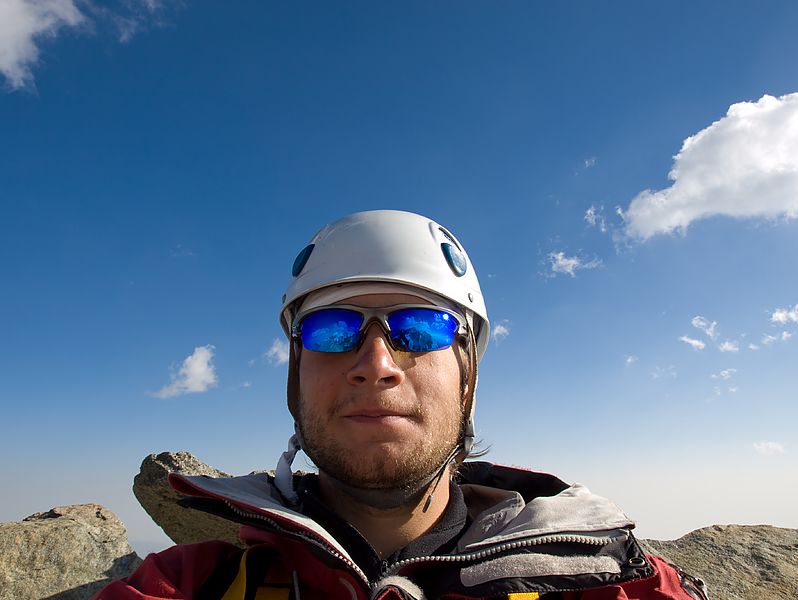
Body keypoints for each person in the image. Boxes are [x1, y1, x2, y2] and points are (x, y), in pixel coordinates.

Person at [97, 210, 708, 599]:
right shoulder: (189, 586)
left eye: (420, 329)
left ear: (468, 375)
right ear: (296, 372)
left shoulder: (612, 584)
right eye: (333, 330)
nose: (375, 365)